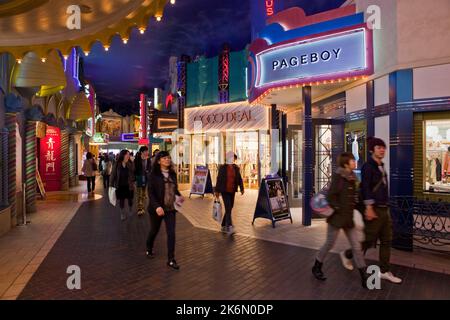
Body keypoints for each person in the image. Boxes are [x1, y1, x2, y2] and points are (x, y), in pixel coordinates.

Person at [341, 137, 402, 284]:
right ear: (372, 150)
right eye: (379, 147)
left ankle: (384, 271)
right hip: (373, 209)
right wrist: (368, 207)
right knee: (369, 240)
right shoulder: (368, 166)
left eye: (383, 147)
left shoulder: (381, 165)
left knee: (387, 240)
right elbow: (366, 188)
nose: (382, 150)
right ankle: (347, 254)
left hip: (384, 208)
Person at [312, 152, 368, 288]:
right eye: (353, 161)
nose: (355, 162)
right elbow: (331, 196)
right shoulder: (339, 177)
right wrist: (339, 208)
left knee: (356, 246)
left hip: (348, 218)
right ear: (346, 163)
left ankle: (364, 276)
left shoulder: (352, 177)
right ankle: (317, 266)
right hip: (337, 218)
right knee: (329, 243)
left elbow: (354, 198)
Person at [146, 151, 184, 270]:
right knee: (154, 230)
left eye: (168, 158)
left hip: (170, 209)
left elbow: (174, 189)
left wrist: (179, 196)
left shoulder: (172, 174)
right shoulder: (153, 175)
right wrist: (157, 206)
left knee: (171, 233)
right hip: (157, 209)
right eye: (164, 158)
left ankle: (171, 259)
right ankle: (149, 247)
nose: (167, 160)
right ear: (158, 161)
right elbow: (151, 193)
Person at [214, 152, 244, 234]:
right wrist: (217, 191)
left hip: (232, 190)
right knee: (228, 207)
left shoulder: (236, 168)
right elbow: (219, 179)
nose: (233, 159)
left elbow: (239, 178)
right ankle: (229, 226)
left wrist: (242, 188)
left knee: (230, 207)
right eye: (232, 157)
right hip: (225, 190)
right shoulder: (223, 168)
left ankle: (223, 224)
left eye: (234, 158)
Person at [110, 150, 135, 221]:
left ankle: (130, 209)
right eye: (127, 154)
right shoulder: (117, 164)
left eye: (129, 154)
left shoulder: (130, 163)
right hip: (120, 185)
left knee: (130, 200)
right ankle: (122, 213)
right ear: (123, 155)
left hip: (129, 185)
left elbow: (133, 170)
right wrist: (111, 184)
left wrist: (132, 162)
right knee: (121, 200)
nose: (128, 155)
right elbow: (113, 174)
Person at [134, 146, 151, 216]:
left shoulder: (148, 160)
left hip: (146, 178)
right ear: (142, 152)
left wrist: (148, 172)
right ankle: (139, 208)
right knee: (139, 194)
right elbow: (135, 169)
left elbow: (150, 168)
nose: (147, 152)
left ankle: (142, 207)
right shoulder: (137, 159)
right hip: (139, 178)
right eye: (146, 151)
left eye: (147, 151)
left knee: (144, 194)